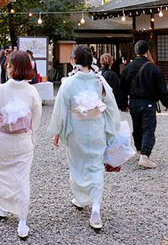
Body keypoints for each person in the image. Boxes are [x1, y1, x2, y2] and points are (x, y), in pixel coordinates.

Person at [49, 45, 121, 231]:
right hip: (96, 128)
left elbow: (61, 109)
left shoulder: (69, 83)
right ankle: (95, 206)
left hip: (77, 130)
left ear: (73, 60)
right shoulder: (99, 81)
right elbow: (111, 106)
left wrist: (57, 131)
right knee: (96, 165)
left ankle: (80, 199)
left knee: (77, 164)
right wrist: (111, 128)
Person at [0, 50, 42, 239]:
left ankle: (4, 207)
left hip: (4, 139)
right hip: (24, 140)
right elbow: (37, 118)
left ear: (9, 67)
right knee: (22, 178)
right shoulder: (32, 91)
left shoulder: (0, 90)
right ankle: (22, 220)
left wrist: (2, 119)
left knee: (3, 174)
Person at [120, 40, 168, 169]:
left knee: (137, 128)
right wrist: (166, 102)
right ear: (147, 52)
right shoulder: (153, 68)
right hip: (148, 102)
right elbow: (161, 87)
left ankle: (139, 151)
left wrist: (123, 104)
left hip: (134, 103)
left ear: (136, 52)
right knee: (148, 129)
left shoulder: (128, 68)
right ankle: (144, 155)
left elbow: (123, 88)